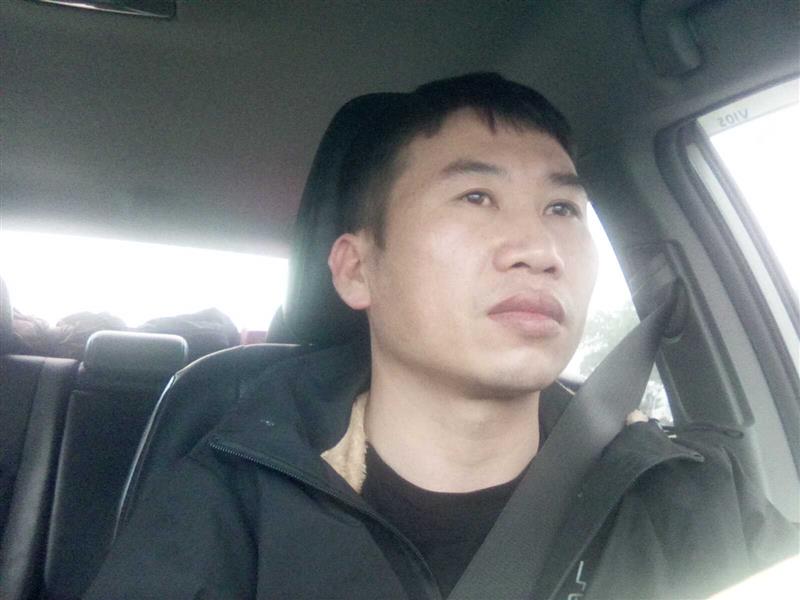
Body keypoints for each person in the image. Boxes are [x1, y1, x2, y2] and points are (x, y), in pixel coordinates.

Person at [87, 73, 797, 599]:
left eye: (561, 208)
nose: (539, 249)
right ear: (357, 269)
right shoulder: (227, 506)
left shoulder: (691, 500)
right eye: (477, 197)